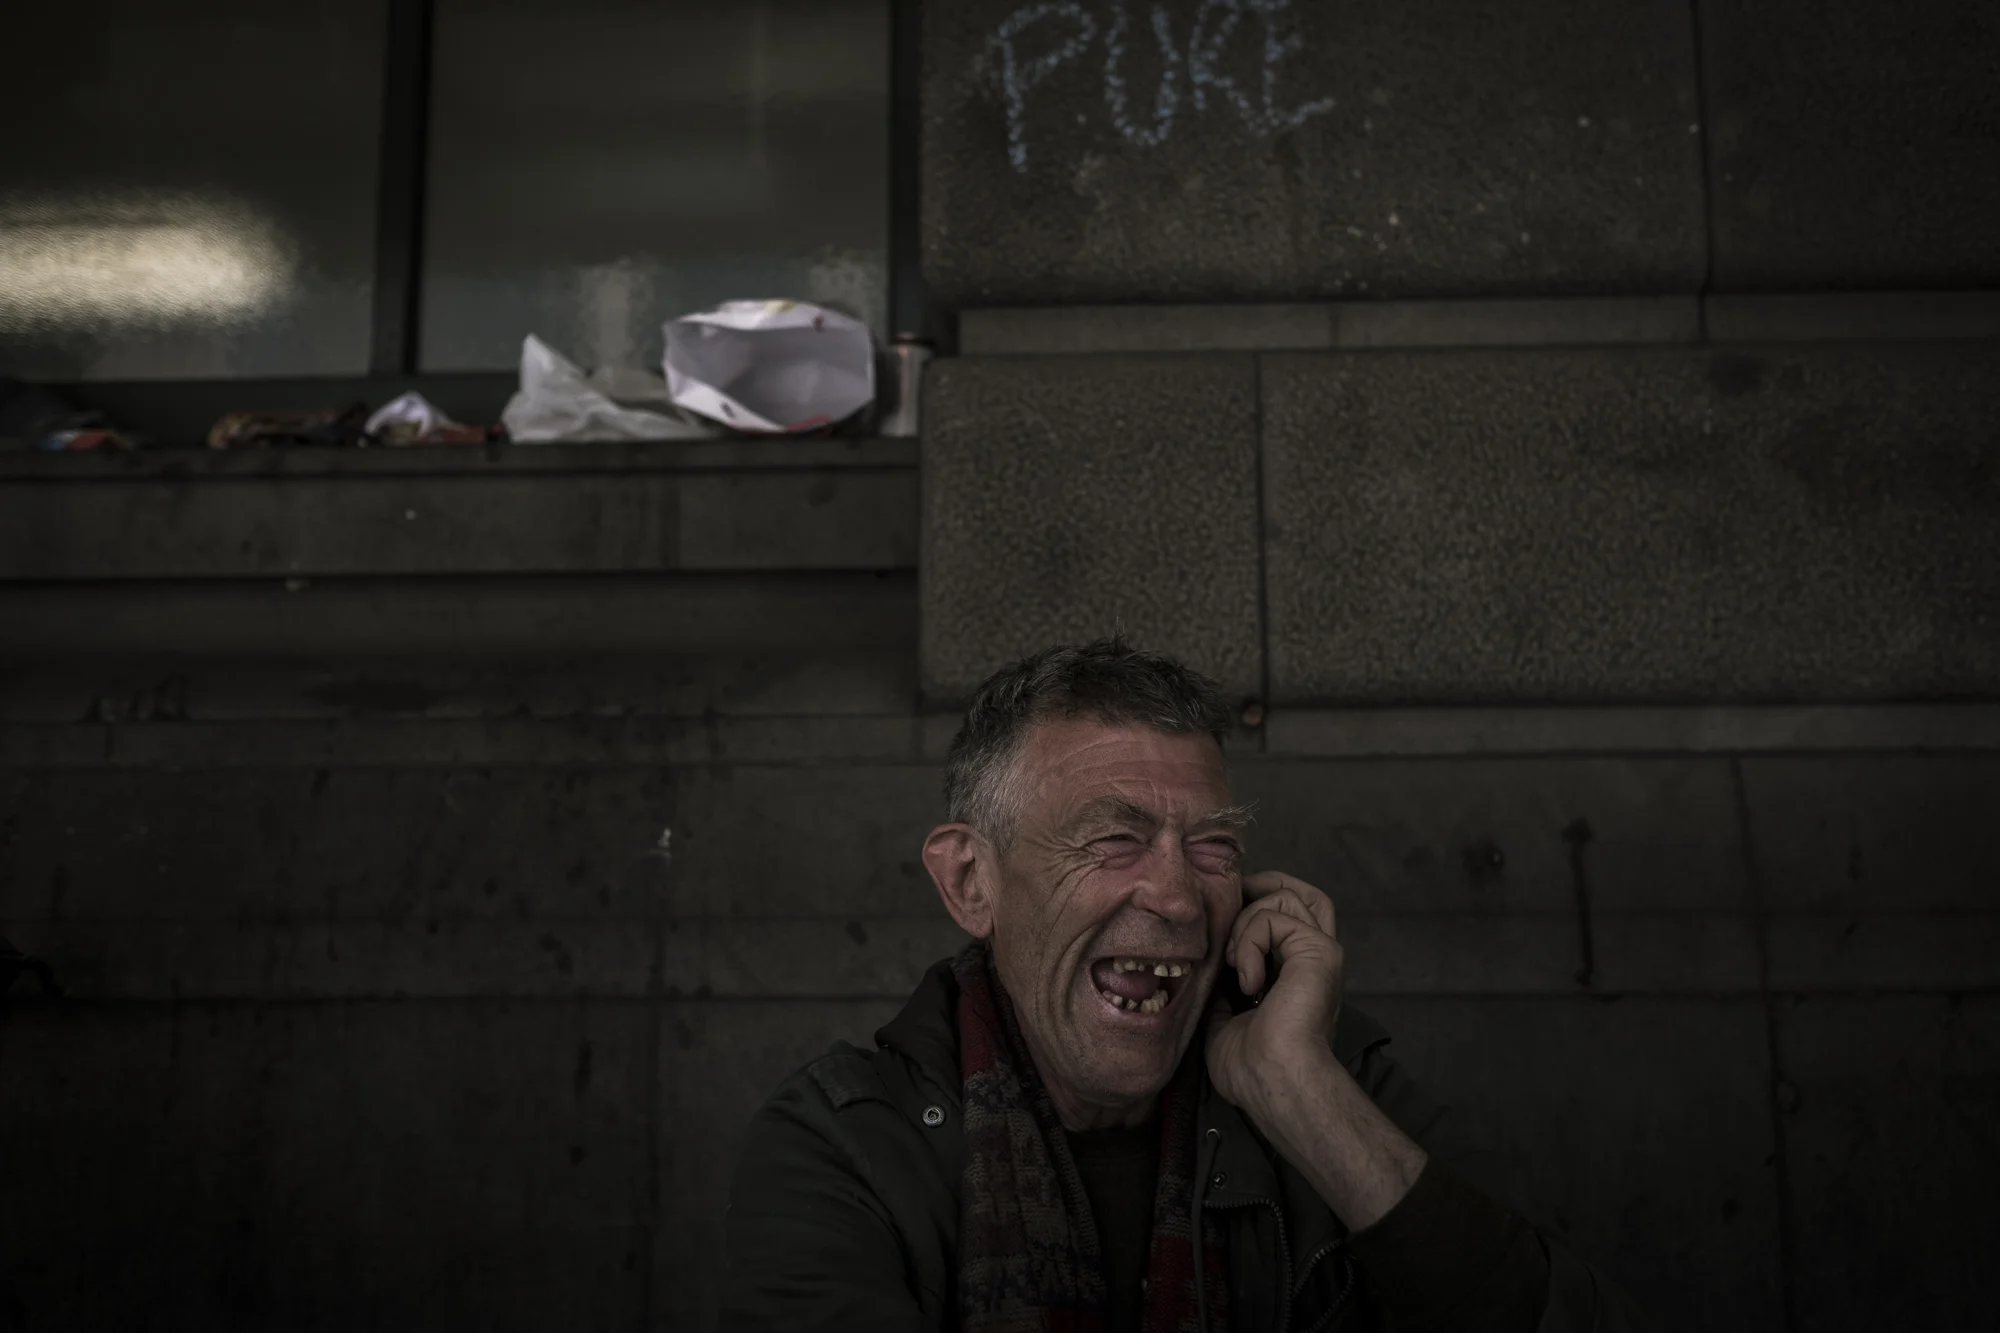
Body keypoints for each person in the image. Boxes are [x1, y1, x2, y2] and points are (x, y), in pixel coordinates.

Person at [722, 639, 1645, 1332]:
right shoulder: (845, 1146)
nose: (1176, 896)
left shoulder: (1333, 1078)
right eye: (1112, 839)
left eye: (1213, 846)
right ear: (972, 881)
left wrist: (1303, 1093)